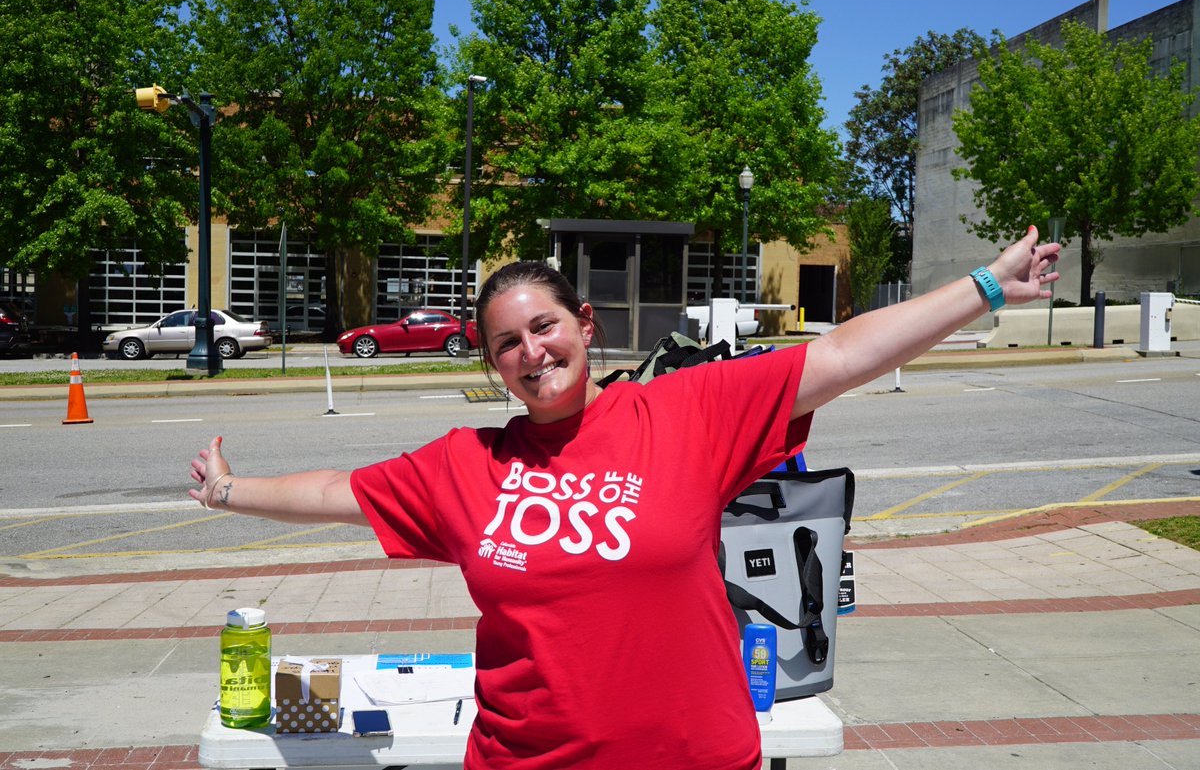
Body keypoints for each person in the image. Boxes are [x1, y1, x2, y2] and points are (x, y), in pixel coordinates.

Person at [189, 226, 1060, 769]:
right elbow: (342, 489)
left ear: (585, 326)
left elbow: (838, 357)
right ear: (492, 364)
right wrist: (230, 490)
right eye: (506, 344)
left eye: (545, 326)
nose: (532, 352)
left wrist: (981, 291)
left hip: (697, 757)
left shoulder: (685, 412)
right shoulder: (465, 463)